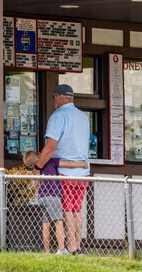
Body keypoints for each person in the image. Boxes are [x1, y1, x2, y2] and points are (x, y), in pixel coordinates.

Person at [33, 84, 90, 254]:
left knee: (66, 209)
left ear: (58, 97)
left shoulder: (58, 116)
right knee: (77, 210)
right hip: (84, 172)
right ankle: (78, 246)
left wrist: (38, 166)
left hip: (65, 172)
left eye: (54, 98)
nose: (54, 101)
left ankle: (71, 247)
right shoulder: (83, 117)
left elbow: (50, 147)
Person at [23, 151, 88, 254]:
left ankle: (47, 251)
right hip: (53, 196)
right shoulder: (50, 162)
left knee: (46, 224)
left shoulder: (35, 170)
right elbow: (68, 164)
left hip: (41, 197)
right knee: (59, 221)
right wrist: (82, 164)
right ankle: (61, 249)